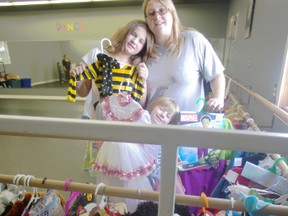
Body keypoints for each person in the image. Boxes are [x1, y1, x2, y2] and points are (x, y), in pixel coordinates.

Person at [92, 96, 182, 213]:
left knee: (138, 203)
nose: (163, 115)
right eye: (161, 109)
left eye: (168, 115)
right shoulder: (138, 121)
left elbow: (162, 163)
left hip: (151, 178)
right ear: (153, 106)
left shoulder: (163, 137)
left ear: (170, 122)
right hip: (126, 172)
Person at [142, 0, 226, 113]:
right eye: (151, 13)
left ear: (172, 13)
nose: (157, 16)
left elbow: (216, 74)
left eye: (162, 10)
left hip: (190, 125)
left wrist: (218, 99)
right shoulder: (143, 50)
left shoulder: (193, 40)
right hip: (155, 125)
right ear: (147, 20)